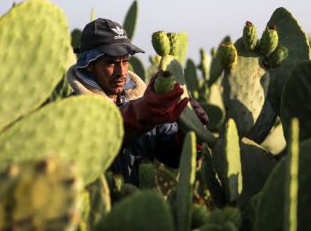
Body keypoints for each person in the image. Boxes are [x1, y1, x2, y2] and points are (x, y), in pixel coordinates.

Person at [67, 18, 208, 185]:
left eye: (125, 61)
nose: (121, 72)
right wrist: (144, 113)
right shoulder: (74, 110)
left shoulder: (140, 99)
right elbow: (106, 136)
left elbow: (172, 157)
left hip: (138, 206)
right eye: (111, 63)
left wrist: (190, 132)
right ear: (89, 65)